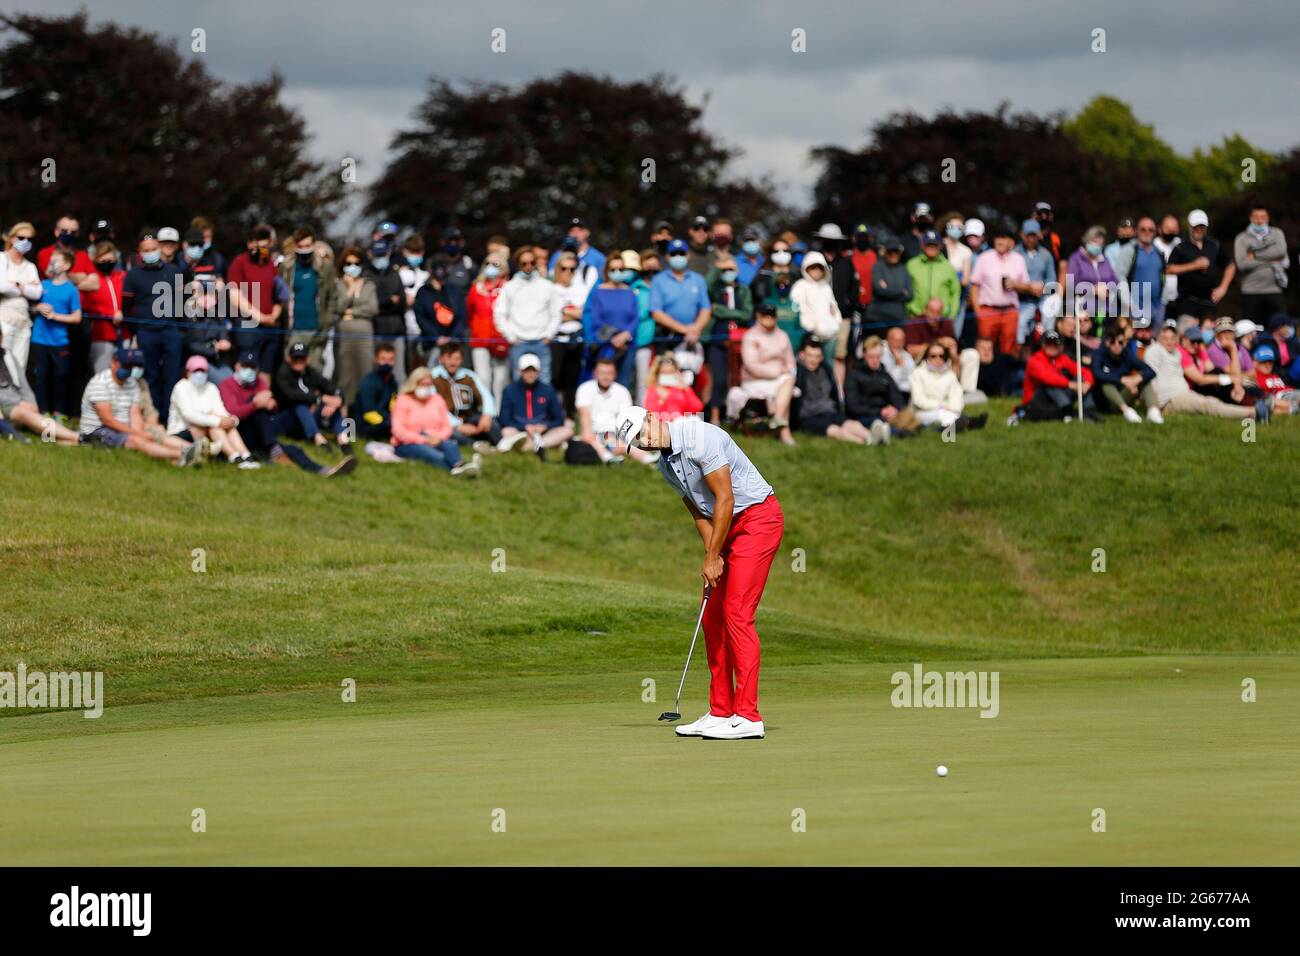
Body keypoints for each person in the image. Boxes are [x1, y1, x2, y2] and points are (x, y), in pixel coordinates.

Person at [614, 405, 784, 740]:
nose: (644, 441)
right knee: (712, 616)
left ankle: (748, 716)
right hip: (725, 529)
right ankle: (721, 711)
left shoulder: (698, 436)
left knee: (737, 613)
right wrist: (714, 555)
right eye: (636, 441)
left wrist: (712, 557)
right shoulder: (666, 466)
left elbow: (725, 499)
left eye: (642, 431)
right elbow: (699, 513)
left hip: (757, 520)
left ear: (652, 417)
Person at [218, 351, 353, 475]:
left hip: (264, 431)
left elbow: (274, 406)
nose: (249, 370)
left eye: (252, 367)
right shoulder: (227, 385)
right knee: (261, 412)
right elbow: (233, 414)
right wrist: (255, 404)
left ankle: (322, 469)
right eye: (245, 366)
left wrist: (272, 406)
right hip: (240, 433)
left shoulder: (261, 382)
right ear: (237, 366)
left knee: (294, 449)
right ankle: (277, 448)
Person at [79, 348, 203, 466]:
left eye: (130, 366)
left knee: (155, 433)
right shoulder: (99, 383)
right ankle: (181, 455)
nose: (128, 369)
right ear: (114, 363)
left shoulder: (132, 383)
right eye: (125, 366)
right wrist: (137, 434)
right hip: (98, 430)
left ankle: (196, 449)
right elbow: (107, 420)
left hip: (124, 427)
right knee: (136, 440)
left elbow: (135, 414)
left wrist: (140, 432)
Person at [1144, 321, 1268, 421]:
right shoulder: (1158, 350)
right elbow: (1200, 379)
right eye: (1193, 341)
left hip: (1185, 393)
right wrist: (1232, 379)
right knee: (1210, 404)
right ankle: (1253, 411)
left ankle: (1256, 405)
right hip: (1172, 398)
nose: (1196, 345)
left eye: (1199, 341)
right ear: (1184, 340)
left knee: (1215, 386)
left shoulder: (1177, 353)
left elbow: (1220, 371)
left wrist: (1233, 351)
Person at [167, 355, 259, 467]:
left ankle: (245, 456)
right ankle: (235, 457)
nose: (200, 374)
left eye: (203, 370)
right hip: (182, 430)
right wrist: (217, 421)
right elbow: (189, 415)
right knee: (216, 425)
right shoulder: (181, 387)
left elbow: (220, 410)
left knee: (224, 424)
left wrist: (231, 420)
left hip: (206, 428)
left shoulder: (211, 387)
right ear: (188, 372)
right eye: (197, 370)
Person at [390, 366, 480, 476]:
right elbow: (398, 431)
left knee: (451, 446)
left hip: (435, 438)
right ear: (414, 384)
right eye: (423, 384)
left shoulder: (436, 399)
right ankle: (460, 469)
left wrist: (438, 438)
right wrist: (423, 440)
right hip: (408, 442)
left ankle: (460, 466)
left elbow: (447, 426)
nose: (426, 388)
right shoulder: (403, 400)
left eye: (429, 385)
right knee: (433, 455)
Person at [726, 303, 796, 445]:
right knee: (787, 382)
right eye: (765, 315)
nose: (769, 318)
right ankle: (784, 430)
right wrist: (776, 373)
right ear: (758, 316)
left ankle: (778, 419)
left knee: (788, 379)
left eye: (772, 315)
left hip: (781, 379)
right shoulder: (751, 336)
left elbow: (791, 361)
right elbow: (751, 365)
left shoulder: (782, 335)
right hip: (755, 380)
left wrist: (788, 370)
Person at [573, 355, 656, 465]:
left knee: (629, 441)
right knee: (592, 438)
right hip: (593, 432)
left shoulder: (622, 391)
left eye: (609, 373)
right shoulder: (585, 389)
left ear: (614, 375)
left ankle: (649, 460)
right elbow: (584, 415)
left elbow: (627, 421)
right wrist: (588, 433)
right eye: (602, 373)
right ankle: (608, 458)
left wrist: (622, 439)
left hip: (615, 434)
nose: (606, 377)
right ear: (595, 374)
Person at [792, 333, 874, 444]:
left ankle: (872, 437)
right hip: (809, 416)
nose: (813, 360)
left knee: (854, 425)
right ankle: (863, 443)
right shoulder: (796, 372)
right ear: (802, 355)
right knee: (837, 431)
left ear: (821, 357)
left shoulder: (826, 369)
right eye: (810, 355)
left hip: (830, 411)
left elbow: (834, 393)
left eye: (817, 356)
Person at [28, 248, 82, 417]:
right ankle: (42, 412)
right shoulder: (43, 285)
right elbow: (29, 308)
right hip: (39, 339)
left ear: (66, 265)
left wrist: (55, 316)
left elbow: (77, 317)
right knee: (41, 375)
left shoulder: (71, 290)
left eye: (56, 260)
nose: (52, 263)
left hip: (60, 341)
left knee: (60, 376)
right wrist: (38, 308)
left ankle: (59, 413)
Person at [273, 342, 352, 452]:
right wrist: (320, 399)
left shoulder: (311, 373)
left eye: (302, 358)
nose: (299, 362)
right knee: (300, 405)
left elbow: (331, 387)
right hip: (288, 419)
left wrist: (337, 400)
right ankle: (320, 441)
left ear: (308, 359)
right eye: (296, 358)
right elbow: (292, 396)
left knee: (333, 404)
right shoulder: (283, 373)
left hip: (309, 416)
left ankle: (344, 441)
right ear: (288, 359)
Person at [226, 224, 284, 374]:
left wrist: (273, 316)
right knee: (248, 370)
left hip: (270, 327)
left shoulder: (270, 265)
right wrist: (260, 317)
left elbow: (279, 295)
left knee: (266, 370)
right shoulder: (240, 263)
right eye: (258, 243)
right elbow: (235, 297)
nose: (261, 248)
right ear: (251, 243)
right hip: (248, 325)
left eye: (266, 244)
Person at [702, 254, 753, 423]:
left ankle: (736, 416)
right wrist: (718, 266)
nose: (728, 272)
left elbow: (747, 314)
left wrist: (722, 311)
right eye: (725, 270)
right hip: (718, 339)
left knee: (737, 379)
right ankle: (715, 416)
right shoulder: (715, 289)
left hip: (740, 340)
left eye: (731, 269)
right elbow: (707, 286)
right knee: (720, 379)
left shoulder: (743, 289)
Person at [495, 248, 558, 383]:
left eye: (531, 262)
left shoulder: (547, 285)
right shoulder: (509, 287)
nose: (528, 266)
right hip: (519, 342)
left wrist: (549, 335)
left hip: (542, 341)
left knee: (544, 382)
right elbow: (499, 313)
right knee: (519, 384)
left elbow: (556, 313)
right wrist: (510, 336)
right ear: (518, 264)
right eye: (524, 263)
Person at [281, 227, 338, 371]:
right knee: (291, 372)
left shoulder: (324, 267)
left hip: (316, 329)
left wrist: (326, 324)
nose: (304, 250)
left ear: (314, 245)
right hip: (293, 329)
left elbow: (332, 298)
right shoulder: (287, 267)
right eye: (300, 247)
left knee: (315, 371)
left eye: (308, 246)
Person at [496, 352, 572, 459]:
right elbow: (504, 419)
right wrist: (525, 427)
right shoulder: (509, 390)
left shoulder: (548, 390)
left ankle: (526, 446)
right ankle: (548, 444)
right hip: (520, 432)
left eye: (533, 370)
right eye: (526, 370)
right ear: (519, 371)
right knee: (506, 431)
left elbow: (559, 419)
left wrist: (545, 426)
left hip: (544, 432)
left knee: (568, 430)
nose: (530, 374)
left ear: (538, 371)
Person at [969, 227, 1031, 356]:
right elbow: (974, 286)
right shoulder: (984, 258)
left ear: (1011, 242)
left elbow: (1027, 286)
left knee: (1008, 350)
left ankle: (1006, 376)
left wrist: (1016, 285)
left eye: (1003, 238)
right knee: (985, 349)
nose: (1000, 241)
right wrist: (978, 312)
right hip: (987, 310)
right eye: (997, 238)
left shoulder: (1018, 259)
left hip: (1010, 311)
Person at [0, 342, 79, 444]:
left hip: (18, 402)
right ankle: (77, 437)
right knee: (24, 413)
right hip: (4, 406)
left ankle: (64, 438)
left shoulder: (7, 355)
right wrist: (18, 403)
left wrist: (31, 402)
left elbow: (23, 384)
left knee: (31, 413)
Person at [1167, 209, 1234, 324]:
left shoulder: (1214, 245)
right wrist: (1194, 265)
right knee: (1187, 333)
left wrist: (1223, 288)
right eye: (1196, 226)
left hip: (1209, 302)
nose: (1199, 229)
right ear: (1189, 226)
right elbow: (1169, 269)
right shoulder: (1181, 247)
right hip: (1187, 301)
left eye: (1202, 226)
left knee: (1208, 336)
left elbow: (1230, 264)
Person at [584, 253, 640, 390]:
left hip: (627, 346)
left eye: (621, 269)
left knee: (624, 384)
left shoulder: (630, 292)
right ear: (607, 271)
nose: (617, 273)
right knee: (602, 384)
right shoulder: (598, 292)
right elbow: (596, 319)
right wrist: (614, 338)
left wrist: (626, 335)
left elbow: (635, 317)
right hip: (605, 346)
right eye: (613, 270)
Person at [1014, 331, 1098, 423]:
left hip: (1057, 399)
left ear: (1061, 346)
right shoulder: (1035, 360)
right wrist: (1071, 384)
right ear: (1043, 345)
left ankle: (1090, 410)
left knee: (1080, 378)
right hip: (1036, 402)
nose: (1052, 347)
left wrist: (1087, 383)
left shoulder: (1063, 359)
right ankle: (1068, 411)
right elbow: (1047, 377)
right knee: (1050, 384)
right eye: (1049, 344)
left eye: (1056, 344)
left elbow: (1083, 371)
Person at [430, 342, 499, 451]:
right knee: (452, 433)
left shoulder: (469, 376)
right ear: (441, 359)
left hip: (469, 418)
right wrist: (457, 425)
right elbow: (434, 407)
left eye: (457, 359)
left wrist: (487, 415)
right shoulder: (433, 377)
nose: (453, 362)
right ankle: (477, 446)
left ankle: (502, 446)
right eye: (449, 358)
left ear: (462, 360)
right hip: (448, 423)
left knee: (492, 423)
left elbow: (485, 396)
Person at [334, 246, 379, 410]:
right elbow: (338, 308)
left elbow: (373, 308)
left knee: (366, 372)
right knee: (345, 375)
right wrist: (351, 290)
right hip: (345, 335)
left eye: (356, 263)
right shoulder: (339, 284)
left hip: (365, 335)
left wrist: (352, 312)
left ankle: (364, 415)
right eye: (348, 263)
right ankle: (344, 418)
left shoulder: (369, 284)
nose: (352, 266)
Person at [649, 238, 711, 352]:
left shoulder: (698, 279)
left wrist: (695, 329)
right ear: (667, 256)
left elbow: (706, 309)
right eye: (674, 254)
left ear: (688, 255)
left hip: (694, 337)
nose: (678, 257)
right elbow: (656, 312)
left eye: (681, 253)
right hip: (667, 337)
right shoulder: (658, 280)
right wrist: (683, 330)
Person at [465, 252, 510, 407]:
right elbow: (470, 313)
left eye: (496, 264)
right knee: (483, 379)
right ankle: (485, 412)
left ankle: (499, 414)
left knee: (500, 380)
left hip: (501, 340)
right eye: (487, 264)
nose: (491, 267)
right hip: (480, 340)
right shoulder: (476, 288)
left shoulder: (508, 288)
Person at [549, 250, 590, 416]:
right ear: (558, 269)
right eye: (564, 268)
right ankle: (554, 414)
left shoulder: (581, 288)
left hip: (576, 337)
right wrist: (571, 312)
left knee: (571, 380)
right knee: (555, 378)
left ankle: (569, 417)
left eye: (572, 269)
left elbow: (584, 313)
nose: (568, 272)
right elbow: (552, 316)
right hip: (557, 338)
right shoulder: (551, 289)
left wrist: (564, 311)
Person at [791, 250, 843, 379]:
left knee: (828, 365)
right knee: (808, 366)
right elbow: (797, 310)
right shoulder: (800, 286)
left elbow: (834, 308)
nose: (816, 270)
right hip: (811, 335)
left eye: (819, 267)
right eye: (812, 267)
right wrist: (810, 326)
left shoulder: (826, 288)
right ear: (806, 268)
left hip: (830, 335)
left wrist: (836, 323)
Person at [0, 222, 41, 388]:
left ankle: (15, 409)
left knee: (19, 367)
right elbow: (2, 286)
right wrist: (26, 287)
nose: (25, 241)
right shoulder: (2, 258)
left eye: (29, 239)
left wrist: (17, 285)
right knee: (4, 364)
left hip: (23, 322)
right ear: (12, 238)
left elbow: (38, 293)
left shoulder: (30, 266)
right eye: (21, 237)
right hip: (4, 319)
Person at [1233, 204, 1289, 326]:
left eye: (1263, 217)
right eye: (1256, 217)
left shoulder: (1277, 234)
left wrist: (1255, 254)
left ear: (1268, 218)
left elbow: (1281, 252)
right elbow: (1242, 264)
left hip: (1274, 290)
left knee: (1280, 328)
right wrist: (1271, 258)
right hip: (1250, 292)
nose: (1259, 221)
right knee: (1253, 331)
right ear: (1250, 218)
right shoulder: (1241, 238)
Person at [908, 342, 985, 430]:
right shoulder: (917, 373)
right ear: (927, 357)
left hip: (946, 410)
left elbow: (957, 397)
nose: (938, 359)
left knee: (950, 414)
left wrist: (951, 407)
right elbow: (918, 400)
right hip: (923, 411)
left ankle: (960, 424)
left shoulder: (950, 375)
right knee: (943, 415)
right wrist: (939, 406)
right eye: (933, 356)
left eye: (942, 356)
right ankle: (970, 422)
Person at [1091, 328, 1161, 423]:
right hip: (1106, 402)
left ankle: (1153, 412)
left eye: (1120, 342)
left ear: (1125, 343)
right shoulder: (1099, 354)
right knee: (1106, 383)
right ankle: (1127, 412)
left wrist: (1137, 379)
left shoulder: (1127, 354)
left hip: (1124, 394)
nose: (1116, 345)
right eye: (1112, 342)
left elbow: (1151, 370)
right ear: (1107, 342)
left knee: (1144, 379)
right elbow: (1097, 373)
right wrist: (1121, 380)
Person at [844, 335, 906, 442]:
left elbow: (897, 396)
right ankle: (891, 431)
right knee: (876, 422)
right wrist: (880, 411)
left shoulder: (884, 374)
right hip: (864, 416)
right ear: (864, 354)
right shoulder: (853, 375)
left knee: (909, 416)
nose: (875, 360)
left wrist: (895, 409)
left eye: (878, 356)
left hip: (885, 414)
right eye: (871, 356)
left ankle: (895, 429)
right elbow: (853, 407)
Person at [81, 241, 126, 373]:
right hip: (101, 334)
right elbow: (87, 305)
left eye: (110, 259)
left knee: (125, 373)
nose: (107, 262)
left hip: (124, 333)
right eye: (103, 259)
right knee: (102, 373)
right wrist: (110, 313)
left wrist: (122, 313)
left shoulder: (122, 276)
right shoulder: (92, 280)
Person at [906, 230, 960, 329]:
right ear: (922, 246)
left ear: (940, 247)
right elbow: (905, 289)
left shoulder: (948, 267)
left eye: (934, 245)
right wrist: (909, 310)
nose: (931, 247)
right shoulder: (911, 265)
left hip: (941, 319)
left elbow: (955, 293)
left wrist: (952, 315)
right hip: (916, 317)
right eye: (928, 244)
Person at [750, 237, 799, 345]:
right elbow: (757, 301)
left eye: (785, 251)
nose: (781, 254)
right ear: (771, 254)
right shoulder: (762, 276)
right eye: (776, 251)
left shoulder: (797, 276)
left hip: (791, 327)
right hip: (768, 327)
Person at [1015, 220, 1054, 344]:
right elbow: (1011, 281)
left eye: (1034, 235)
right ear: (1022, 235)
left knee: (1048, 323)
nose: (1032, 239)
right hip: (1022, 301)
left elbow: (1052, 282)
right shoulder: (1015, 253)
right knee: (1020, 325)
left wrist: (1042, 288)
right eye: (1029, 235)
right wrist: (1028, 287)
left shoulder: (1045, 255)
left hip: (1042, 300)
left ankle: (1046, 351)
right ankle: (1019, 360)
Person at [865, 236, 911, 335]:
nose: (893, 254)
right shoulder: (877, 267)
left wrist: (888, 289)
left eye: (896, 251)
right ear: (885, 252)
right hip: (878, 319)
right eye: (890, 251)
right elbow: (879, 291)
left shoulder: (904, 269)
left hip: (898, 320)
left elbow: (910, 295)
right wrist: (901, 291)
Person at [355, 343, 400, 442]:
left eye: (391, 359)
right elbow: (368, 414)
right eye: (383, 359)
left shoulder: (393, 382)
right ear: (376, 359)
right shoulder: (369, 382)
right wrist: (390, 423)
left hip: (387, 420)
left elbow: (394, 405)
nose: (387, 363)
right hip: (368, 426)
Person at [643, 353, 704, 421]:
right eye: (664, 372)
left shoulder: (681, 389)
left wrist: (686, 389)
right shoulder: (653, 390)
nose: (667, 375)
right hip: (663, 427)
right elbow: (653, 415)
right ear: (657, 374)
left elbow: (698, 407)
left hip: (682, 424)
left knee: (695, 419)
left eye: (670, 372)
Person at [1251, 342, 1300, 414]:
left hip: (1290, 393)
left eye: (1270, 362)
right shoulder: (1255, 376)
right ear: (1255, 363)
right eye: (1264, 362)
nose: (1268, 365)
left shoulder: (1274, 375)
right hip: (1279, 398)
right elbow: (1264, 398)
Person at [881, 325, 915, 400]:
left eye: (901, 341)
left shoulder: (906, 355)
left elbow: (913, 378)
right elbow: (890, 383)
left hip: (904, 393)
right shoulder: (881, 353)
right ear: (888, 339)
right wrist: (899, 365)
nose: (899, 344)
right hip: (884, 394)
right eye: (895, 340)